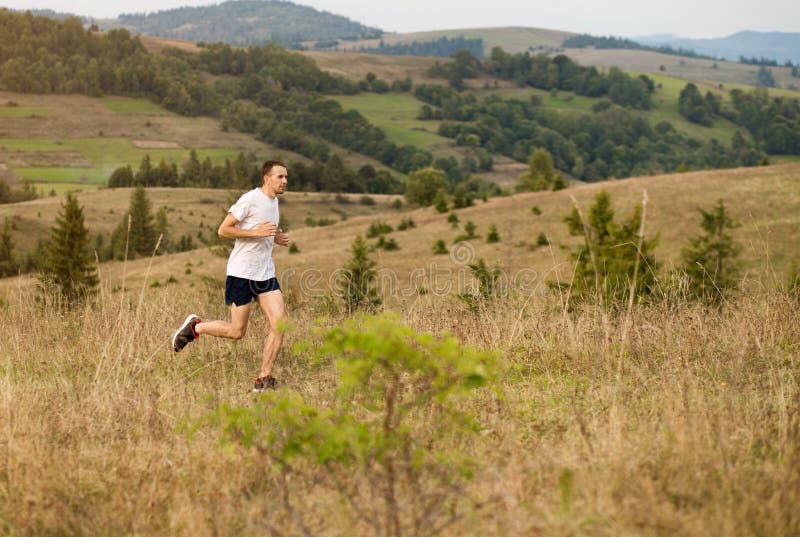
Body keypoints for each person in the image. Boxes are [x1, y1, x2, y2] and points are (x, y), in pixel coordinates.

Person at [172, 160, 291, 392]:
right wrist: (256, 233)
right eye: (280, 177)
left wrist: (275, 236)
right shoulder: (249, 199)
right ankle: (196, 327)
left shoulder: (274, 201)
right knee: (237, 332)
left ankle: (263, 379)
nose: (285, 181)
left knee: (280, 322)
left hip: (265, 273)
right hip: (241, 274)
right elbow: (223, 230)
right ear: (267, 179)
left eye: (286, 177)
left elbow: (264, 227)